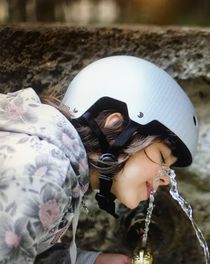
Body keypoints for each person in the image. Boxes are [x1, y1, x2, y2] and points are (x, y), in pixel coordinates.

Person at [0, 55, 199, 264]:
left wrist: (90, 261)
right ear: (115, 126)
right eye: (161, 157)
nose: (166, 178)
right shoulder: (44, 171)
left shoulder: (54, 165)